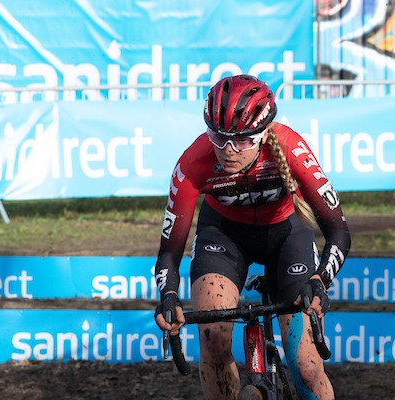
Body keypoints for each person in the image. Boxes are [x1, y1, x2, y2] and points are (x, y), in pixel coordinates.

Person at [153, 74, 351, 399]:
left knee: (306, 367)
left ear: (262, 135)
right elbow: (169, 253)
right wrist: (169, 295)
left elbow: (339, 232)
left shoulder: (290, 147)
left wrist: (320, 279)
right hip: (224, 237)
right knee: (214, 339)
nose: (229, 150)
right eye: (219, 137)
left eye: (242, 141)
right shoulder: (192, 163)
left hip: (288, 236)